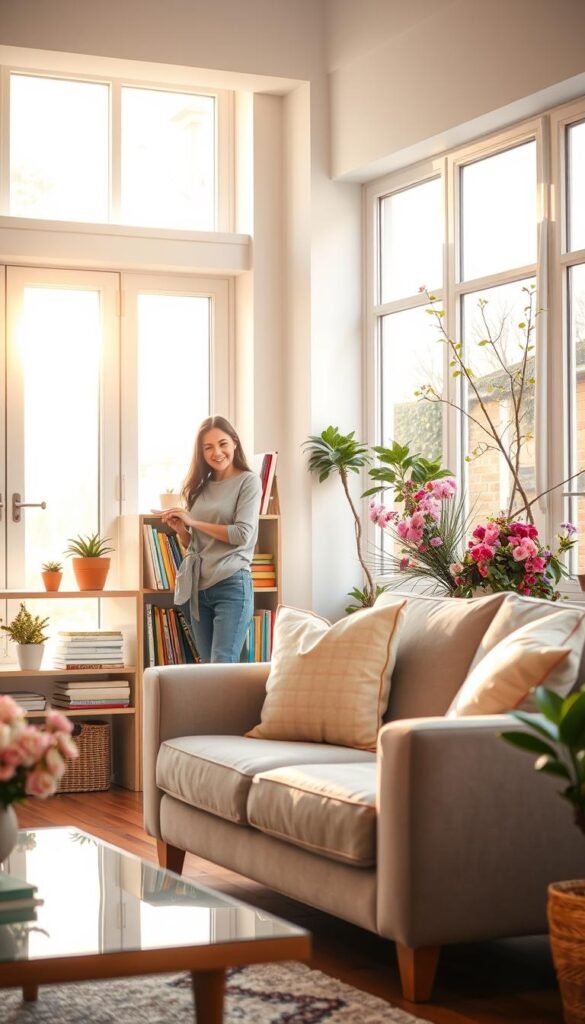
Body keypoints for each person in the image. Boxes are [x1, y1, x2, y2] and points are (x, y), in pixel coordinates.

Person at [160, 416, 261, 663]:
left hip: (231, 584)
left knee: (221, 665)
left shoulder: (249, 481)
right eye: (208, 447)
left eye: (223, 443)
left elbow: (242, 534)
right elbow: (193, 544)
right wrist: (182, 530)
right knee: (207, 671)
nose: (217, 452)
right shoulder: (199, 487)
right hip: (198, 588)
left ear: (235, 443)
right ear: (201, 452)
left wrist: (193, 522)